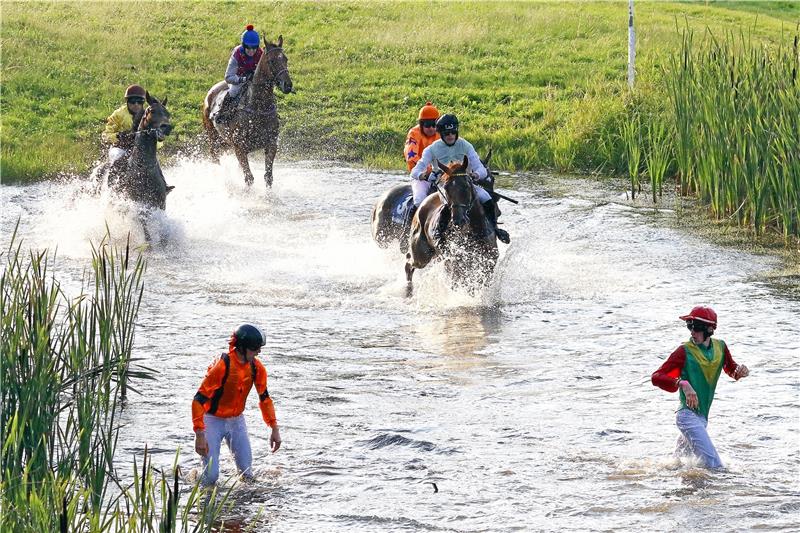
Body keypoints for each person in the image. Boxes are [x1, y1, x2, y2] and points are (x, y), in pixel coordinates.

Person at [651, 306, 749, 469]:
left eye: (696, 327)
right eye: (689, 326)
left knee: (679, 466)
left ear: (710, 329)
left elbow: (731, 370)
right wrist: (681, 383)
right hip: (686, 416)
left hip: (702, 418)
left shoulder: (721, 347)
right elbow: (656, 377)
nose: (692, 332)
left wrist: (741, 371)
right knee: (715, 466)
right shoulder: (684, 351)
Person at [192, 324, 281, 486]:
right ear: (240, 347)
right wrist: (199, 434)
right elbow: (198, 400)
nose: (258, 352)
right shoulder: (222, 365)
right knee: (211, 478)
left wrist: (274, 428)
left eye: (259, 348)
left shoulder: (256, 367)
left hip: (236, 421)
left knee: (247, 475)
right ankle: (195, 478)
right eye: (254, 348)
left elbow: (265, 399)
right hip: (212, 420)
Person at [409, 114, 510, 244]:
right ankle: (439, 233)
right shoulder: (431, 149)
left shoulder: (466, 146)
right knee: (447, 202)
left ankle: (495, 229)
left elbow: (481, 169)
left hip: (465, 184)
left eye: (453, 132)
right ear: (440, 134)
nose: (450, 136)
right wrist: (424, 175)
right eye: (447, 133)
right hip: (444, 185)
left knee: (487, 198)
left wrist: (476, 175)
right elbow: (415, 171)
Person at [216, 24, 263, 124]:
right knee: (233, 91)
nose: (252, 52)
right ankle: (223, 113)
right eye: (249, 49)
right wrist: (243, 79)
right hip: (239, 80)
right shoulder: (237, 54)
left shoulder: (260, 53)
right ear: (244, 46)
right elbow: (228, 77)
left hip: (255, 82)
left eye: (254, 48)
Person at [101, 84, 146, 164]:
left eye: (139, 101)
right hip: (120, 148)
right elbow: (105, 135)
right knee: (118, 157)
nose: (136, 104)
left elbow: (159, 142)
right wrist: (119, 136)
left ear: (143, 103)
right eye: (132, 101)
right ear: (127, 101)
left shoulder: (149, 117)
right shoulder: (118, 115)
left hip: (141, 151)